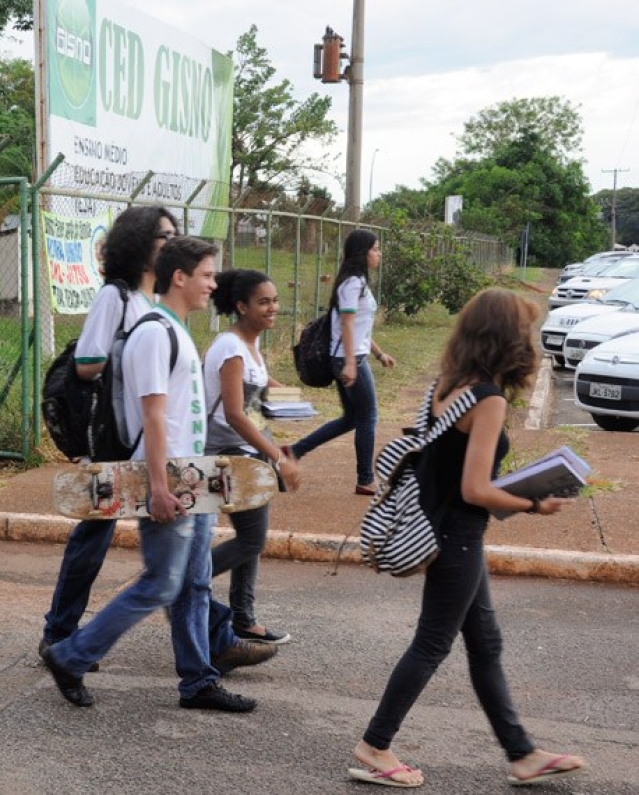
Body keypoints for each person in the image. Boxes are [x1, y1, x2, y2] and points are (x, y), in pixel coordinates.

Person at [348, 288, 586, 788]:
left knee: (485, 643)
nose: (530, 339)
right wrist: (533, 502)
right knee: (433, 643)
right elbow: (475, 488)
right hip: (456, 534)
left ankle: (521, 753)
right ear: (506, 338)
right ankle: (375, 745)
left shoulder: (449, 385)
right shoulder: (490, 399)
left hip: (444, 529)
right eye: (524, 330)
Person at [40, 207, 274, 676]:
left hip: (159, 446)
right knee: (101, 543)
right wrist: (133, 367)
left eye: (173, 235)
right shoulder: (119, 298)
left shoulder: (158, 306)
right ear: (139, 242)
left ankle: (210, 649)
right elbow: (87, 364)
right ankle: (62, 639)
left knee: (177, 569)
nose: (169, 242)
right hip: (122, 442)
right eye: (161, 236)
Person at [203, 270, 302, 646]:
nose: (273, 308)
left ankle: (243, 618)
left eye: (275, 300)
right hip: (226, 455)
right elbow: (234, 413)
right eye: (264, 302)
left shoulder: (248, 344)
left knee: (250, 538)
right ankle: (186, 583)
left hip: (244, 452)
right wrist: (278, 458)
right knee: (252, 540)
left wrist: (295, 400)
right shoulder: (231, 348)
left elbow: (259, 389)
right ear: (241, 306)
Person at [288, 229, 395, 495]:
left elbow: (358, 328)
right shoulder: (352, 284)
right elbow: (346, 325)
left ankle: (294, 451)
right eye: (375, 249)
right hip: (349, 360)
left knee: (351, 419)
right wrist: (349, 363)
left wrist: (379, 354)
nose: (379, 253)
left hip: (353, 356)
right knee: (368, 416)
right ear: (362, 252)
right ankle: (365, 479)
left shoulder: (356, 282)